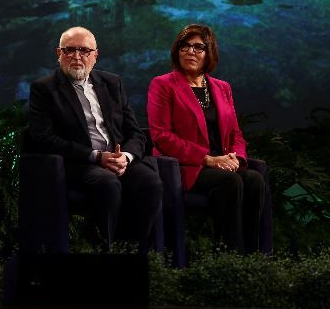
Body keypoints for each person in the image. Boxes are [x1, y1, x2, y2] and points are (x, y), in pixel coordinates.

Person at [28, 26, 163, 251]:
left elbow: (135, 131)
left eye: (84, 50)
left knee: (151, 183)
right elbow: (43, 138)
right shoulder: (44, 89)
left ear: (95, 55)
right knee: (107, 183)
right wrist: (96, 156)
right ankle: (104, 251)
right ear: (58, 53)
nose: (77, 57)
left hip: (119, 159)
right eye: (69, 50)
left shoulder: (112, 83)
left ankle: (131, 251)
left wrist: (126, 157)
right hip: (80, 163)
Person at [147, 23, 267, 253]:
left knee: (253, 180)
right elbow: (162, 137)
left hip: (222, 165)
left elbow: (236, 134)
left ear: (209, 52)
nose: (190, 52)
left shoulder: (222, 88)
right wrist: (209, 159)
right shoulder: (162, 85)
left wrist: (236, 158)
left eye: (198, 47)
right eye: (185, 46)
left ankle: (252, 259)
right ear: (177, 50)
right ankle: (226, 258)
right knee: (231, 182)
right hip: (186, 167)